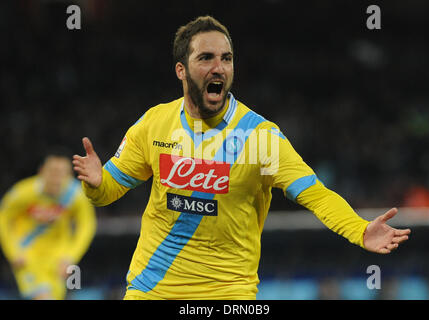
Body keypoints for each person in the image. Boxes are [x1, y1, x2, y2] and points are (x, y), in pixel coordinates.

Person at [72, 16, 411, 300]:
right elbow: (106, 191)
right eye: (206, 58)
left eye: (227, 58)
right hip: (151, 289)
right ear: (181, 70)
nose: (218, 67)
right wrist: (96, 184)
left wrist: (359, 230)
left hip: (229, 293)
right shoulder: (153, 123)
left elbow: (316, 194)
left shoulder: (260, 136)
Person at [0, 149, 97, 300]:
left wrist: (70, 257)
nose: (56, 178)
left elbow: (87, 226)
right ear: (41, 171)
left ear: (69, 176)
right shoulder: (23, 192)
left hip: (58, 259)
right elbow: (3, 218)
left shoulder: (76, 196)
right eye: (52, 171)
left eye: (62, 173)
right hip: (28, 255)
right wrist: (13, 251)